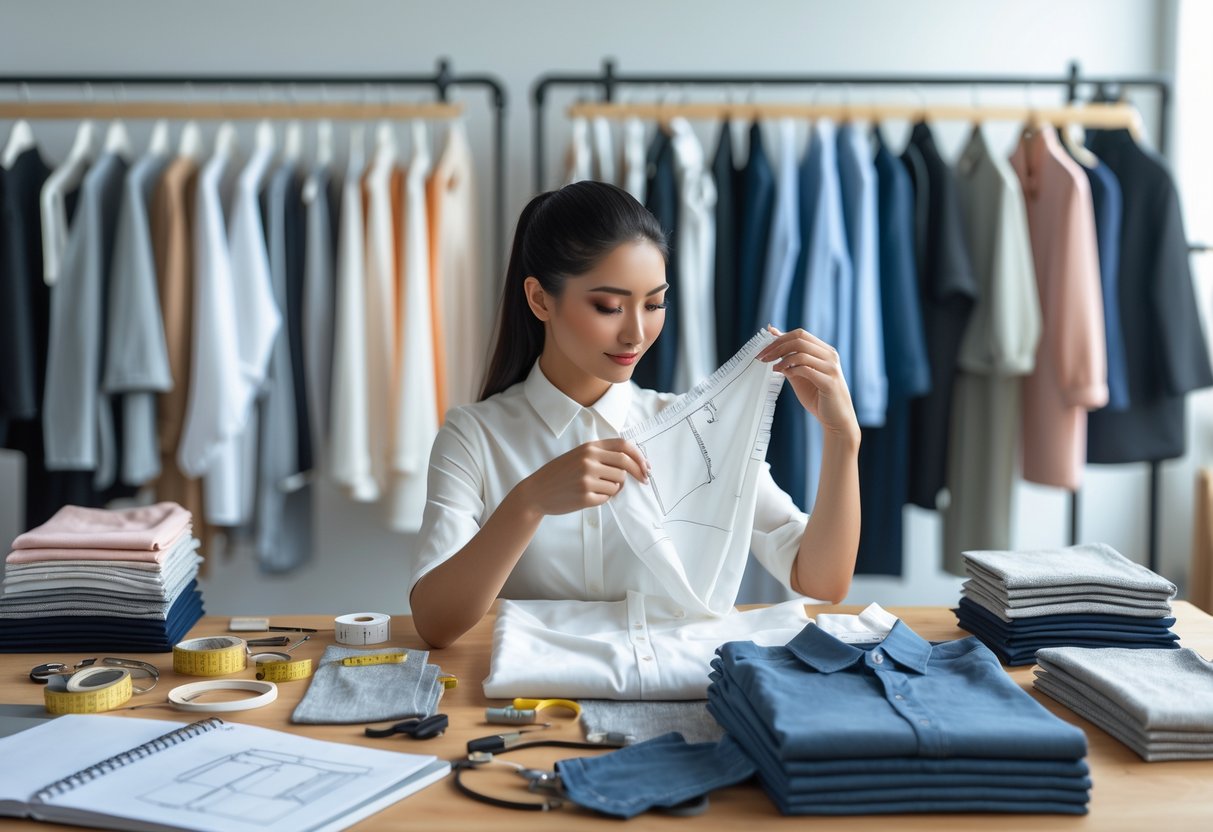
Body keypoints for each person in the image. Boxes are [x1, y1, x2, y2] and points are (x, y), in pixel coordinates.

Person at [410, 181, 860, 648]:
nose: (636, 333)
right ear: (541, 299)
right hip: (530, 703)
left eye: (654, 304)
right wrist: (529, 502)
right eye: (608, 306)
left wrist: (842, 437)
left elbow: (823, 581)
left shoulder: (691, 430)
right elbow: (435, 623)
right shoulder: (473, 436)